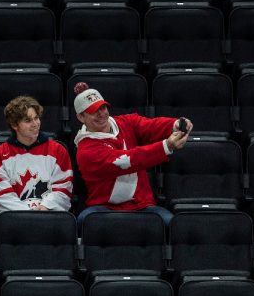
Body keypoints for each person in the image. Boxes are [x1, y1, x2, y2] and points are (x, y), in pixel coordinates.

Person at [72, 82, 192, 226]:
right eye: (93, 111)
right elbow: (125, 161)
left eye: (103, 107)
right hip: (102, 207)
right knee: (85, 222)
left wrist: (175, 125)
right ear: (80, 117)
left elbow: (151, 126)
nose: (101, 114)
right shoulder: (85, 150)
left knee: (175, 225)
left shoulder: (126, 122)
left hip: (142, 204)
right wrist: (166, 146)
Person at [0, 96, 73, 212]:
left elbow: (63, 187)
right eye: (28, 120)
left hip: (50, 216)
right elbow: (3, 196)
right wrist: (28, 215)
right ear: (14, 125)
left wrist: (45, 207)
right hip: (15, 219)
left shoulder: (58, 150)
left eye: (36, 118)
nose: (35, 124)